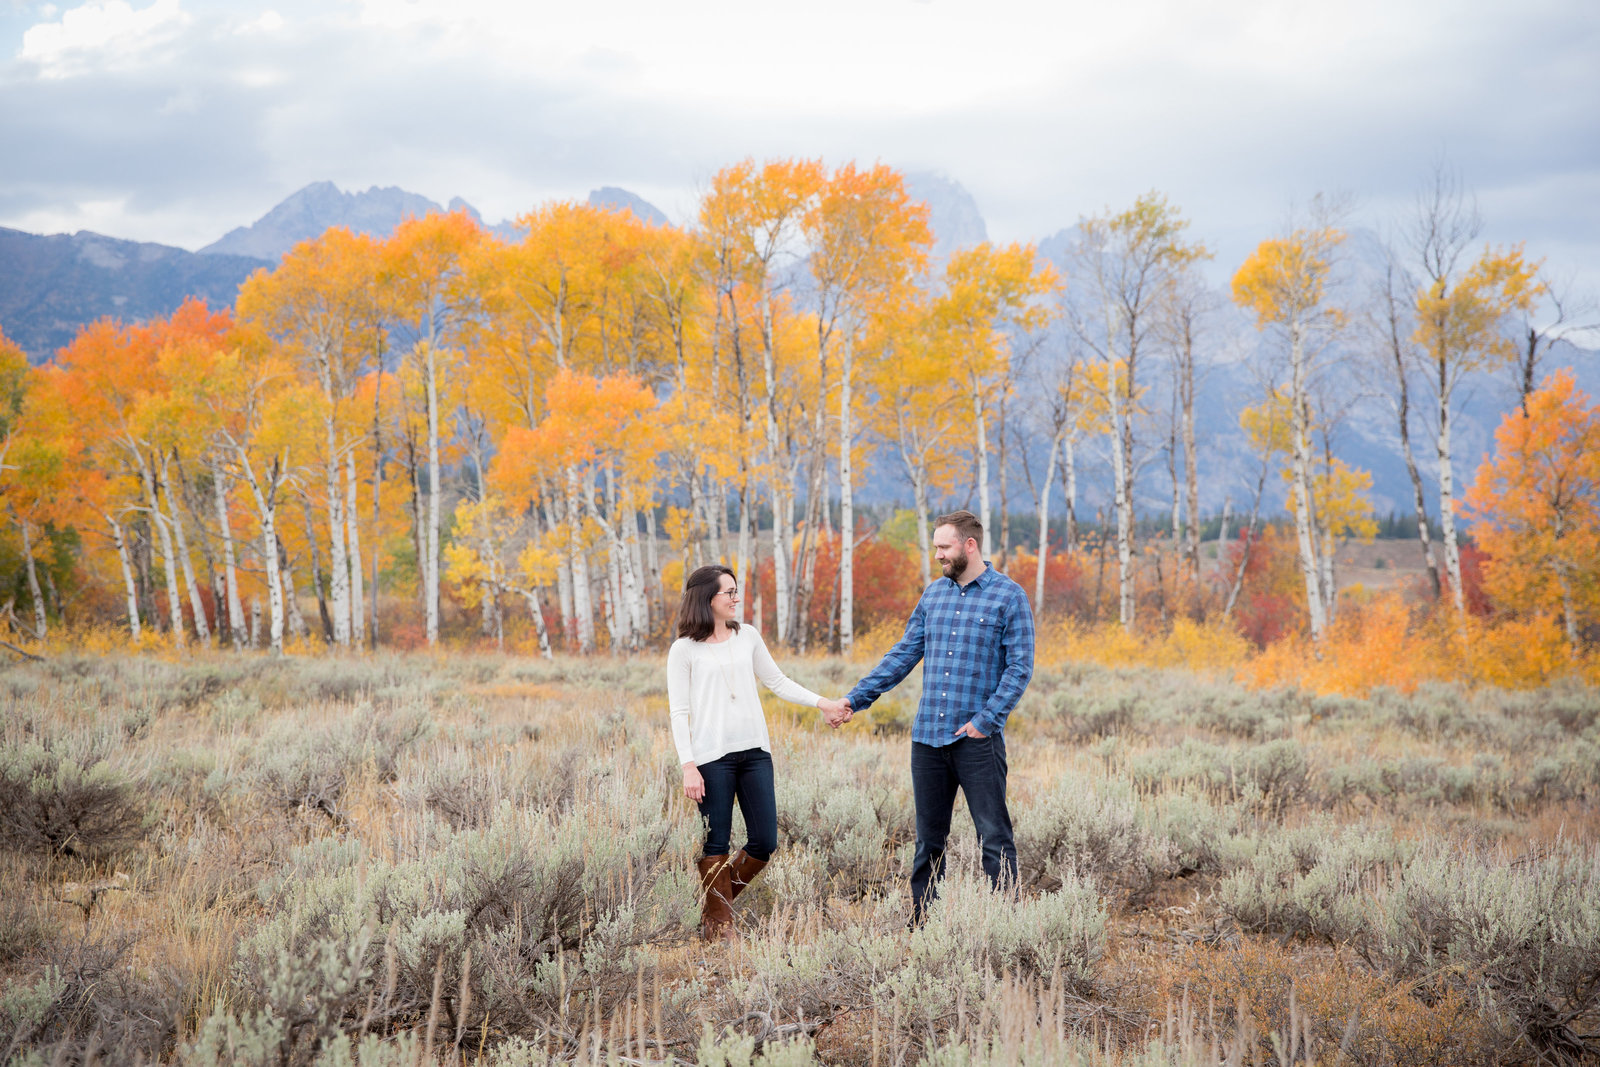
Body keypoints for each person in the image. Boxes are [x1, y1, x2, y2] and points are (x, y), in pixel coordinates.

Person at [839, 510, 1034, 925]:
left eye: (944, 547)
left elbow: (1020, 668)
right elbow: (904, 654)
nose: (938, 555)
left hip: (977, 740)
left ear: (969, 545)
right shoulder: (933, 595)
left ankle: (1007, 929)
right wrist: (856, 699)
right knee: (929, 841)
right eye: (935, 548)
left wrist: (986, 721)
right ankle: (922, 926)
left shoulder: (1008, 596)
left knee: (994, 837)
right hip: (927, 738)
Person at [667, 564, 851, 941]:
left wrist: (823, 703)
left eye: (736, 591)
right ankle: (719, 926)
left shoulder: (747, 635)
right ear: (707, 598)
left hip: (754, 753)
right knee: (715, 843)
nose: (737, 598)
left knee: (765, 841)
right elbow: (679, 712)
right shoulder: (683, 650)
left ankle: (714, 906)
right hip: (711, 758)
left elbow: (777, 681)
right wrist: (688, 765)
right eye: (729, 593)